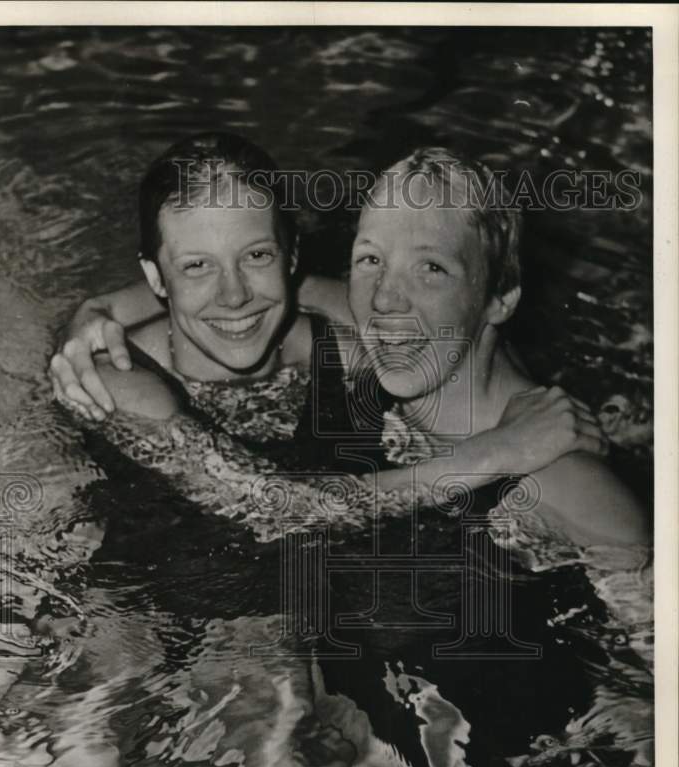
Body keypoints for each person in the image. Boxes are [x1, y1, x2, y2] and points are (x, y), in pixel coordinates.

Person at [52, 134, 614, 543]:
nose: (234, 296)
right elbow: (270, 509)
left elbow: (457, 324)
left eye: (256, 256)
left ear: (291, 258)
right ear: (156, 279)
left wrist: (540, 419)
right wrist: (497, 452)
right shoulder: (117, 380)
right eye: (196, 266)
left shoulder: (337, 334)